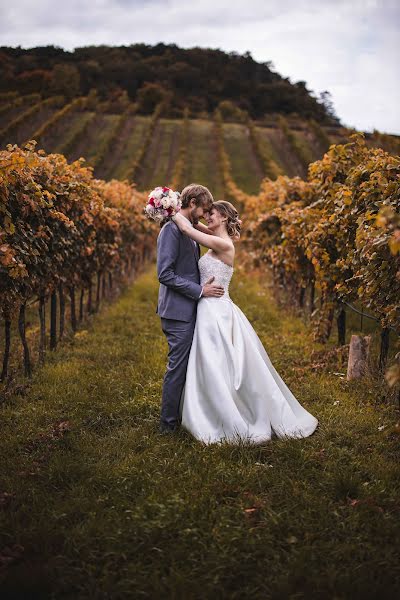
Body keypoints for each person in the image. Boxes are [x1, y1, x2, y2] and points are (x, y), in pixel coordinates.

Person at [172, 200, 319, 444]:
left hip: (217, 310)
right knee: (210, 361)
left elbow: (188, 230)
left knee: (217, 361)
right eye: (207, 213)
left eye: (212, 214)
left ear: (224, 218)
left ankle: (226, 414)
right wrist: (183, 211)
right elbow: (195, 224)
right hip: (207, 307)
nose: (208, 217)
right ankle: (210, 407)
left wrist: (169, 210)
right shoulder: (214, 236)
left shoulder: (223, 243)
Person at [156, 183, 225, 434]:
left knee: (187, 366)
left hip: (189, 310)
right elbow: (165, 274)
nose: (205, 215)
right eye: (204, 209)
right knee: (178, 367)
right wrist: (200, 290)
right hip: (177, 312)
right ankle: (168, 427)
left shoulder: (188, 228)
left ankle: (186, 416)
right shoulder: (171, 231)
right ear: (192, 203)